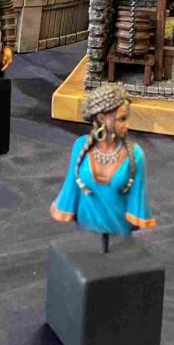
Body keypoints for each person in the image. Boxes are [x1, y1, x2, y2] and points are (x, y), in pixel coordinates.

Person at [50, 83, 155, 239]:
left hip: (119, 225)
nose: (127, 125)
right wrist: (65, 210)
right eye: (122, 119)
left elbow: (137, 197)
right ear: (101, 118)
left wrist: (138, 219)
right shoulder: (81, 146)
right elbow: (71, 186)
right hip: (87, 222)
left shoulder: (135, 154)